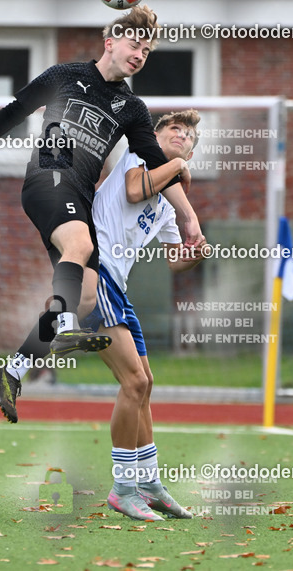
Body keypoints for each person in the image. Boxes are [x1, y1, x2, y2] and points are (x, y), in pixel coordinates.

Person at [0, 5, 202, 423]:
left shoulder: (132, 108)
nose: (140, 54)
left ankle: (12, 370)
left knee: (84, 294)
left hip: (78, 198)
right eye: (134, 45)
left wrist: (189, 219)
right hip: (48, 178)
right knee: (80, 247)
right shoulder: (64, 75)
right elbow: (15, 109)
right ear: (110, 42)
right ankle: (64, 326)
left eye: (147, 51)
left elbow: (156, 165)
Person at [82, 110, 206, 521]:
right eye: (174, 128)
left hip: (119, 286)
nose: (181, 135)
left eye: (188, 136)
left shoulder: (170, 206)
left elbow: (175, 263)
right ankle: (122, 489)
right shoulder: (140, 158)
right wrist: (178, 166)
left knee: (146, 383)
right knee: (133, 382)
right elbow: (135, 192)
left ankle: (150, 483)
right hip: (95, 275)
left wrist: (195, 254)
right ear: (155, 137)